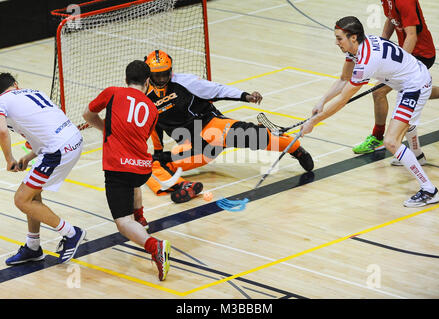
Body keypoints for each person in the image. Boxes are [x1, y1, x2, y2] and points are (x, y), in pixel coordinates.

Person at [142, 50, 314, 205]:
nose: (162, 79)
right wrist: (158, 151)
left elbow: (217, 90)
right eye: (158, 76)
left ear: (170, 70)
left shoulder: (186, 82)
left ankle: (295, 147)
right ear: (149, 75)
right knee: (150, 165)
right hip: (195, 147)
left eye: (165, 74)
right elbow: (154, 127)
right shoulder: (145, 98)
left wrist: (245, 96)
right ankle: (183, 186)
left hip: (213, 126)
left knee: (254, 136)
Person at [303, 16, 439, 207]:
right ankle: (417, 156)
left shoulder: (367, 60)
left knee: (391, 141)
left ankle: (429, 190)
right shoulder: (358, 48)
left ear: (353, 37)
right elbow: (344, 79)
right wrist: (322, 101)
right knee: (404, 126)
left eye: (339, 38)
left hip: (415, 85)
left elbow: (343, 99)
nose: (336, 42)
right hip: (408, 81)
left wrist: (313, 122)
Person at [82, 60, 170, 281]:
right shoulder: (152, 107)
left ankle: (154, 246)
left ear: (125, 80)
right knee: (132, 183)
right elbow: (141, 135)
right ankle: (140, 219)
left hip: (118, 167)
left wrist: (106, 130)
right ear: (148, 82)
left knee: (122, 223)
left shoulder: (113, 92)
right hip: (143, 168)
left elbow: (87, 115)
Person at [343, 0, 439, 157]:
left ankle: (377, 138)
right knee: (420, 90)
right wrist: (382, 41)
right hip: (408, 53)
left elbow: (412, 36)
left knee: (379, 92)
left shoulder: (404, 1)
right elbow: (391, 19)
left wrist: (400, 67)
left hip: (421, 53)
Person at [0, 72, 86, 265]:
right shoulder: (34, 93)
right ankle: (33, 246)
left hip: (59, 149)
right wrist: (28, 156)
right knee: (31, 194)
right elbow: (46, 130)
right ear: (15, 84)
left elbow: (2, 130)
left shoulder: (2, 101)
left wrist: (9, 159)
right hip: (71, 139)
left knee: (21, 200)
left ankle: (71, 233)